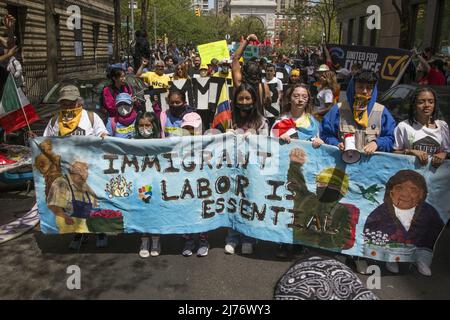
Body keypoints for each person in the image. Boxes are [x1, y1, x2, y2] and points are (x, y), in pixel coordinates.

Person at [43, 85, 108, 249]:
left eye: (71, 103)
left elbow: (104, 137)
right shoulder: (54, 121)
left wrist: (103, 136)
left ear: (79, 102)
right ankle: (79, 234)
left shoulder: (92, 118)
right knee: (74, 204)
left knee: (94, 202)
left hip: (91, 171)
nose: (67, 107)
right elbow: (46, 143)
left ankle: (100, 232)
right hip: (67, 172)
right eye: (64, 104)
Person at [271, 83, 324, 258]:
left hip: (305, 172)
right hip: (284, 170)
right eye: (296, 95)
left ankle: (300, 243)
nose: (300, 99)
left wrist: (319, 143)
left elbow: (320, 146)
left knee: (302, 207)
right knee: (285, 206)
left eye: (304, 96)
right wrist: (279, 136)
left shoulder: (313, 123)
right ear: (289, 98)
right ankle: (283, 243)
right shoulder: (280, 120)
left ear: (308, 99)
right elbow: (269, 143)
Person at [363, 170, 444, 276]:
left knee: (426, 245)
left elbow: (436, 229)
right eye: (399, 188)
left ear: (421, 194)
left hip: (419, 247)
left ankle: (420, 259)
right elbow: (370, 228)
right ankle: (391, 259)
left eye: (413, 190)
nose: (405, 194)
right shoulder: (382, 211)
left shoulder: (428, 211)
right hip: (389, 247)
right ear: (390, 192)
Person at [224, 83, 268, 255]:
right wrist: (224, 135)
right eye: (240, 98)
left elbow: (266, 147)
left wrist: (256, 139)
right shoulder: (229, 119)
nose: (244, 101)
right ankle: (232, 237)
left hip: (251, 170)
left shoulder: (261, 122)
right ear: (235, 101)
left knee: (249, 202)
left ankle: (248, 237)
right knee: (232, 202)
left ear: (254, 100)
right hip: (232, 169)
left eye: (247, 98)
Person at [320, 70, 396, 155]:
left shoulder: (381, 112)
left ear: (373, 89)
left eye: (369, 87)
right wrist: (336, 143)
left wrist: (377, 143)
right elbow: (325, 134)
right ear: (353, 87)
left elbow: (391, 138)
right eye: (360, 87)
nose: (364, 91)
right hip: (342, 164)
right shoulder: (338, 109)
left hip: (369, 165)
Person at [393, 87, 449, 167]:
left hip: (435, 177)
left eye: (431, 102)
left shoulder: (442, 126)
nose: (426, 105)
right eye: (421, 102)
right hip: (410, 175)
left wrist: (444, 154)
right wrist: (410, 152)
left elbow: (447, 151)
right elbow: (393, 153)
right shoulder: (403, 126)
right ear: (414, 104)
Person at [179, 112, 210, 257]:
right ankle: (189, 241)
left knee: (202, 214)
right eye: (187, 130)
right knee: (186, 213)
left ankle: (204, 242)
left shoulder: (208, 143)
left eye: (193, 130)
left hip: (202, 186)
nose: (190, 133)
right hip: (185, 186)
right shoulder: (178, 145)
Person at [133, 111, 163, 258]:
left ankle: (156, 240)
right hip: (142, 184)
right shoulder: (131, 142)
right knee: (143, 211)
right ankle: (144, 240)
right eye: (141, 125)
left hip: (157, 183)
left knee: (155, 211)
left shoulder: (161, 143)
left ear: (154, 126)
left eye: (147, 125)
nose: (144, 128)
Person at [231, 34, 271, 116]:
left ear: (243, 72)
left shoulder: (239, 84)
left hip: (242, 123)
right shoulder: (264, 87)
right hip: (259, 123)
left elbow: (235, 58)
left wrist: (248, 39)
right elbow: (267, 103)